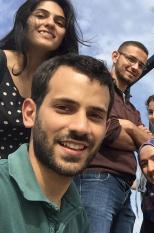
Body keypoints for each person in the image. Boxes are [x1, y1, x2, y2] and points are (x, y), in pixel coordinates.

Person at [0, 54, 114, 233]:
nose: (81, 127)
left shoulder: (79, 217)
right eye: (64, 108)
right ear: (30, 113)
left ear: (105, 130)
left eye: (95, 115)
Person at [74, 41, 152, 233]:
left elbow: (148, 145)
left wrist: (130, 127)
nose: (135, 67)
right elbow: (104, 130)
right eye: (131, 59)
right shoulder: (97, 85)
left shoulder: (133, 110)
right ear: (115, 56)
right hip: (96, 178)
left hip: (126, 188)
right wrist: (134, 135)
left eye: (141, 65)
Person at [0, 0, 84, 158]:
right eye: (41, 15)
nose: (50, 23)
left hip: (26, 179)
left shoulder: (60, 84)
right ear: (25, 21)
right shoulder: (1, 60)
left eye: (60, 23)